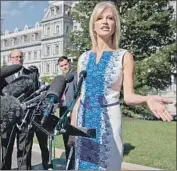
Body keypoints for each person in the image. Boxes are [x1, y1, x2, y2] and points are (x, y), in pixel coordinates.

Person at [68, 1, 173, 170]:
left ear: (115, 25)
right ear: (93, 25)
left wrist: (147, 99)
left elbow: (129, 97)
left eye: (110, 18)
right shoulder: (83, 58)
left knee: (107, 166)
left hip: (109, 119)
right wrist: (73, 131)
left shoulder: (124, 56)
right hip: (85, 120)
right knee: (86, 166)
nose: (104, 22)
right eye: (100, 18)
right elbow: (81, 96)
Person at [1, 49, 39, 170]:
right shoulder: (3, 75)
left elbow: (36, 95)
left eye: (21, 57)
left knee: (24, 153)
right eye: (16, 57)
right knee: (5, 152)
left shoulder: (31, 75)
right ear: (10, 59)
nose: (19, 59)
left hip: (26, 119)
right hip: (8, 120)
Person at [28, 65, 49, 170]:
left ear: (38, 73)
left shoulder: (42, 86)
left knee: (44, 145)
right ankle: (27, 167)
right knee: (28, 146)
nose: (33, 75)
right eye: (31, 72)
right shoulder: (27, 87)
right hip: (29, 120)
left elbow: (47, 102)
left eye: (35, 72)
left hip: (40, 120)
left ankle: (45, 164)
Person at [58, 56, 77, 169]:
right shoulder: (61, 78)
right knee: (66, 138)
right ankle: (69, 165)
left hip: (73, 111)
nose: (64, 67)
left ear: (69, 63)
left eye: (65, 64)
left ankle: (75, 164)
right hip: (63, 111)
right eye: (62, 66)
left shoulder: (75, 76)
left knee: (74, 138)